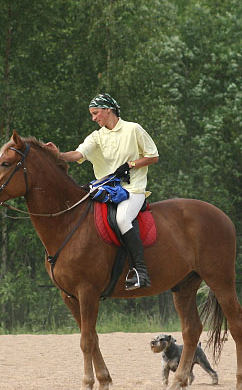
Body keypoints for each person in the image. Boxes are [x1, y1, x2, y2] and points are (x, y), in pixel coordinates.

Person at [45, 93, 159, 289]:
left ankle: (140, 272)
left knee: (123, 219)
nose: (94, 118)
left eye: (96, 113)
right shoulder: (97, 136)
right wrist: (58, 155)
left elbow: (153, 156)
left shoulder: (134, 129)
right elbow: (78, 154)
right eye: (92, 114)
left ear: (108, 110)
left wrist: (130, 164)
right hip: (106, 190)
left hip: (133, 190)